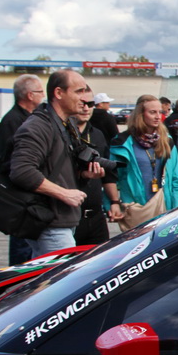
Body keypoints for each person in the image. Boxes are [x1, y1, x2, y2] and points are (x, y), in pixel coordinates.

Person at [9, 68, 107, 257]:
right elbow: (21, 171)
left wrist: (83, 175)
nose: (84, 98)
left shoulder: (65, 124)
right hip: (50, 223)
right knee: (64, 275)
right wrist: (64, 193)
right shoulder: (39, 126)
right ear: (59, 93)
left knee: (52, 276)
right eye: (78, 91)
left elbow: (55, 169)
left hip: (61, 221)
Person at [111, 94, 178, 227]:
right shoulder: (122, 142)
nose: (158, 116)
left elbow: (177, 178)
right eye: (152, 112)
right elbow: (112, 177)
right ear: (140, 114)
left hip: (163, 206)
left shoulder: (167, 141)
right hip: (136, 208)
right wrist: (113, 203)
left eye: (160, 112)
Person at [0, 73, 45, 264]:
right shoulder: (13, 121)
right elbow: (10, 162)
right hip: (20, 198)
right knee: (22, 253)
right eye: (40, 91)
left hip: (29, 195)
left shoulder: (29, 118)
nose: (43, 96)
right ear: (30, 95)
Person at [73, 95, 119, 245]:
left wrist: (114, 201)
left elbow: (108, 173)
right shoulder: (60, 134)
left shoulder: (97, 134)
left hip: (96, 216)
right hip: (69, 216)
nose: (86, 108)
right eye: (82, 103)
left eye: (90, 104)